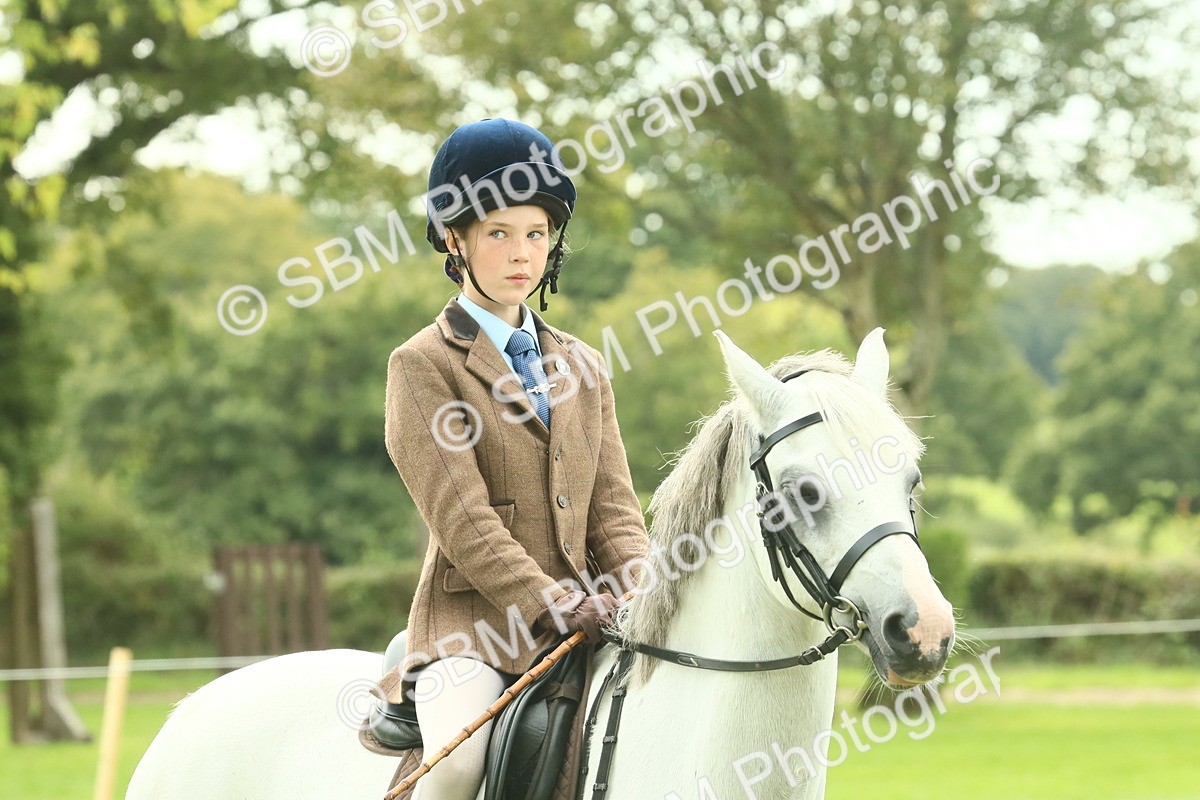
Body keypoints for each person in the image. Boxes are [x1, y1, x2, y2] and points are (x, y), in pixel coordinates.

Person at [377, 118, 649, 800]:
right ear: (455, 238)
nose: (521, 254)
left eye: (536, 234)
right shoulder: (422, 366)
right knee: (457, 766)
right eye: (498, 233)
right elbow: (464, 522)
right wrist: (549, 599)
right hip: (477, 631)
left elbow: (614, 510)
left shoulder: (584, 365)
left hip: (593, 618)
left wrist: (646, 592)